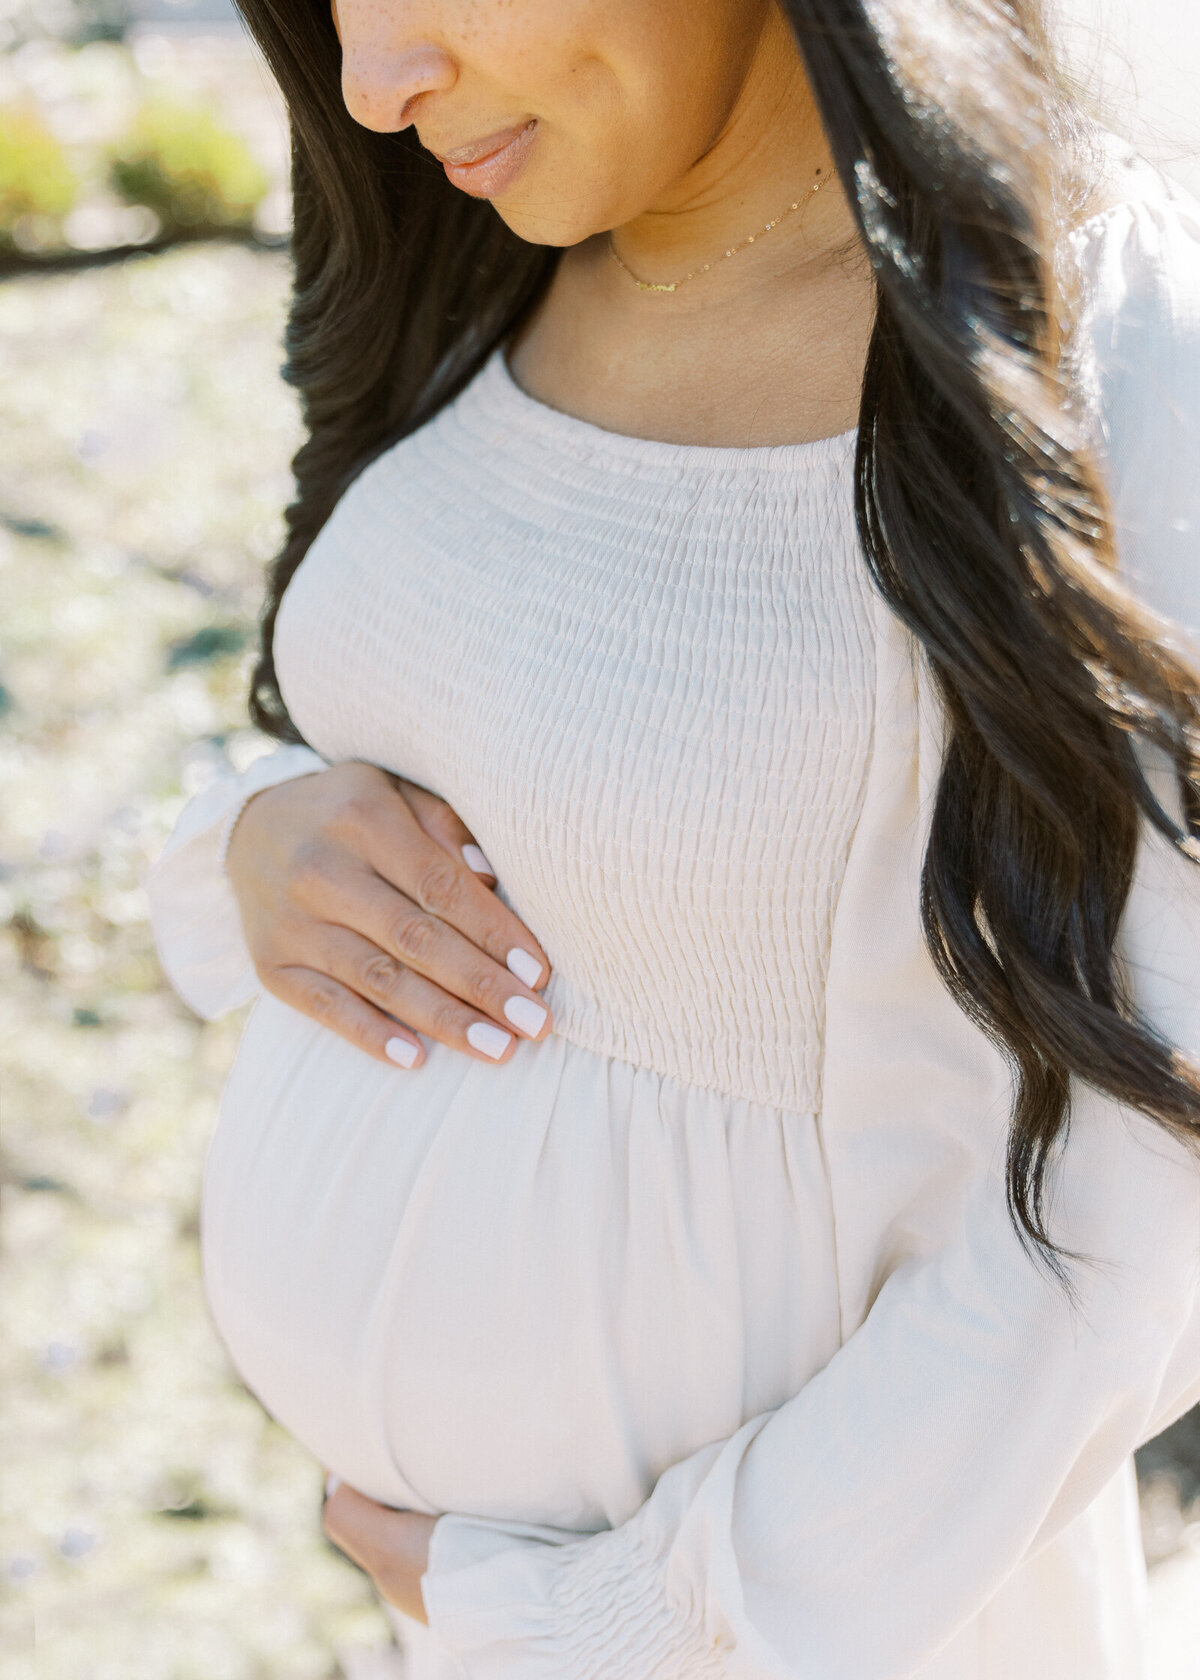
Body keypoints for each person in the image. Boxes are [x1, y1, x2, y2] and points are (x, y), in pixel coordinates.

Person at [144, 0, 1200, 1675]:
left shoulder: (1104, 346)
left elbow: (1142, 1210)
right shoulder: (494, 240)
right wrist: (258, 841)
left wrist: (631, 1618)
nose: (370, 78)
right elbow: (500, 737)